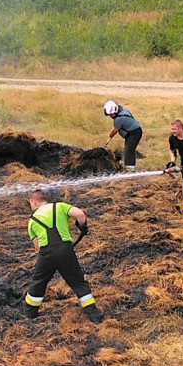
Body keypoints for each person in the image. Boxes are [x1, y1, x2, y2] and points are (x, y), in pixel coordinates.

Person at [24, 188, 103, 323]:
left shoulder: (32, 221)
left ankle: (29, 313)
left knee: (38, 282)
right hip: (66, 250)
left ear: (34, 202)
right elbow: (80, 214)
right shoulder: (59, 206)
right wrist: (82, 227)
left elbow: (37, 248)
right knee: (78, 282)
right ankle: (94, 315)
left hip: (46, 254)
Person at [103, 100, 144, 171]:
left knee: (129, 151)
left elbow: (114, 131)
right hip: (132, 132)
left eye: (111, 115)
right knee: (128, 150)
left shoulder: (119, 119)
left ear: (115, 111)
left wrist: (109, 138)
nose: (110, 116)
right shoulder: (122, 110)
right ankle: (127, 166)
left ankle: (130, 170)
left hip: (134, 133)